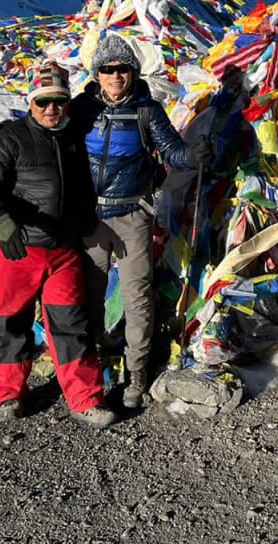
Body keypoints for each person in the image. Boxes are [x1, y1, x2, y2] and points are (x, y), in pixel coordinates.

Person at [69, 33, 213, 409]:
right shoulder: (81, 109)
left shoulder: (148, 111)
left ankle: (136, 374)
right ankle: (97, 362)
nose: (116, 76)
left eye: (123, 69)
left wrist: (194, 155)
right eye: (108, 69)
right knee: (89, 295)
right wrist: (2, 142)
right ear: (96, 73)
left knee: (137, 299)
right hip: (91, 217)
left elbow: (173, 152)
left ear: (133, 72)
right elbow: (47, 140)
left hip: (134, 215)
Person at [0, 62, 114, 428]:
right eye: (43, 101)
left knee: (72, 326)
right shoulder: (11, 139)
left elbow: (96, 97)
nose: (51, 109)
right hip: (17, 249)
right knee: (8, 323)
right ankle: (8, 395)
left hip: (63, 251)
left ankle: (85, 399)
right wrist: (1, 218)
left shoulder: (72, 133)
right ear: (30, 103)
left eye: (59, 101)